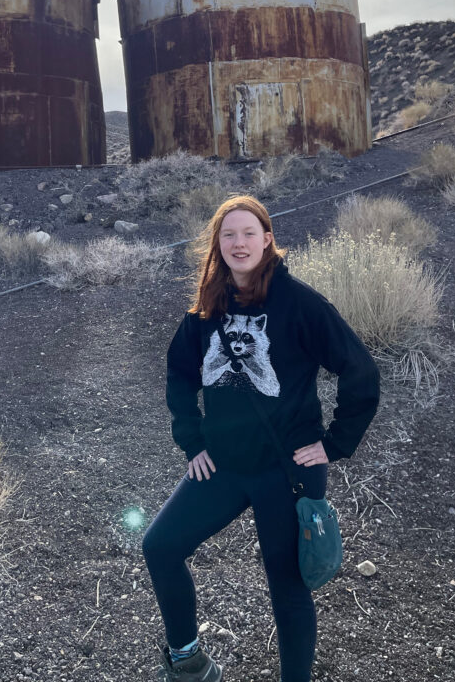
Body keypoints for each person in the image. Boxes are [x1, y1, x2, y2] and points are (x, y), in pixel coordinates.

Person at [142, 195, 380, 682]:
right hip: (226, 465)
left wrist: (335, 444)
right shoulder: (206, 309)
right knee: (160, 546)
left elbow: (361, 371)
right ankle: (188, 662)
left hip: (289, 468)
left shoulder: (300, 303)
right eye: (227, 234)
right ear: (218, 245)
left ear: (268, 239)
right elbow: (179, 375)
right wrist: (192, 441)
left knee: (287, 587)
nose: (238, 242)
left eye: (248, 232)